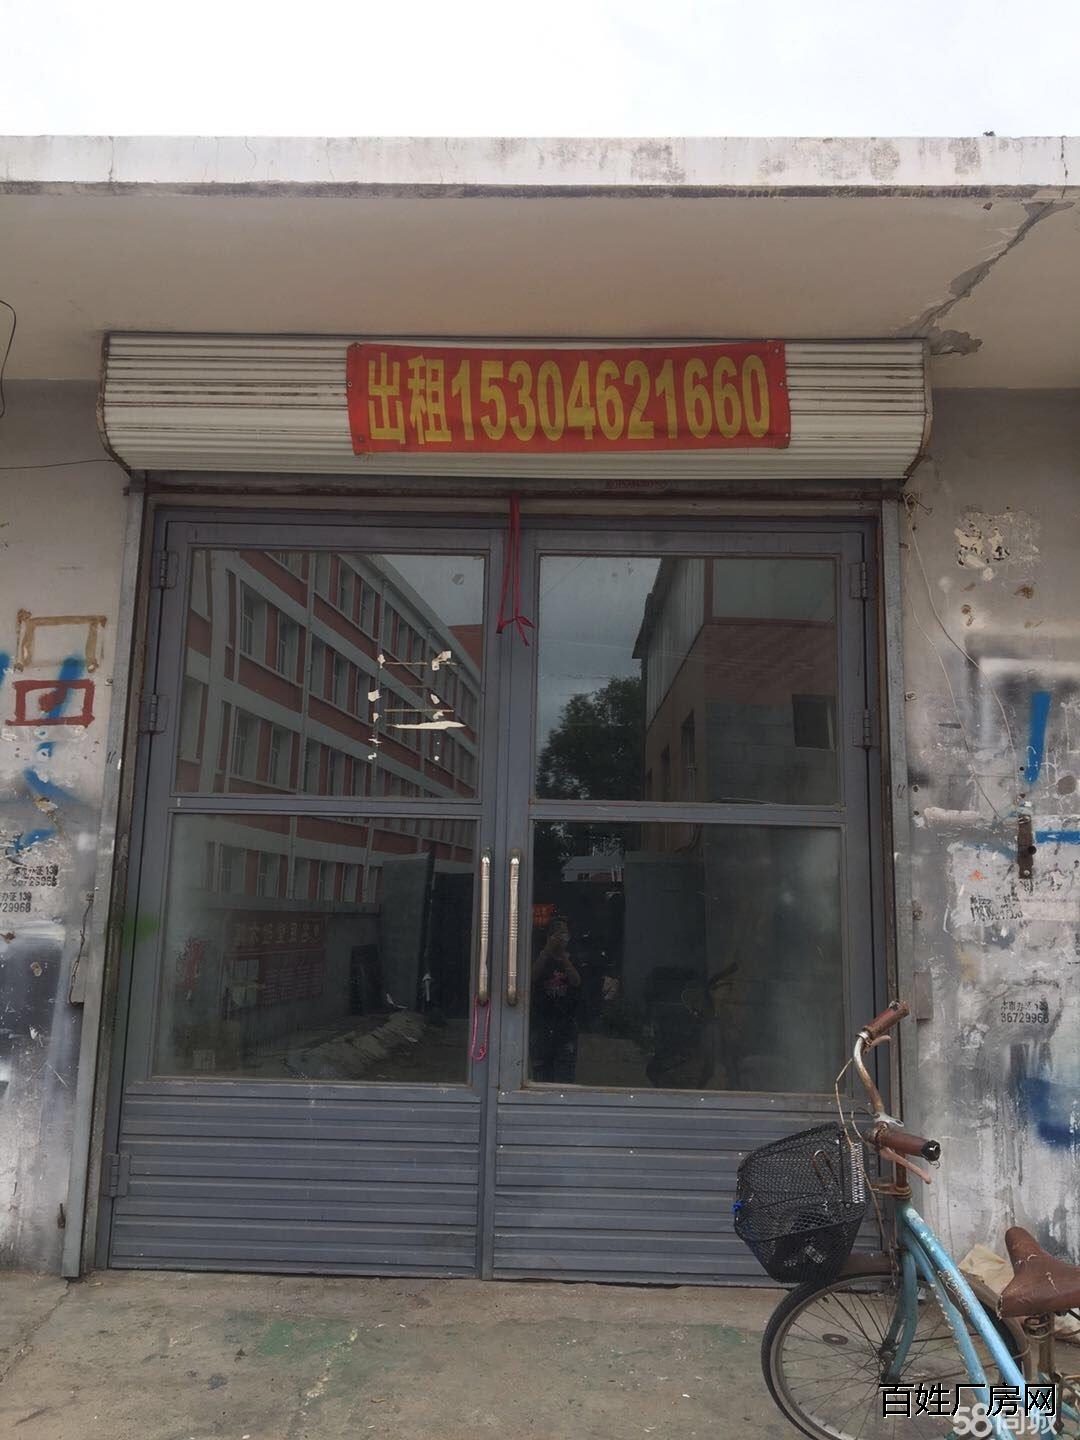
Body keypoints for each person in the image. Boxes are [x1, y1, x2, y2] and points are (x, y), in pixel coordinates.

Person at [529, 916, 581, 1083]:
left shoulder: (573, 957)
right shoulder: (539, 955)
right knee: (541, 1071)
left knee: (565, 1072)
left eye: (563, 933)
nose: (560, 938)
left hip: (566, 1022)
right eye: (556, 933)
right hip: (542, 1021)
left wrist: (563, 957)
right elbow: (531, 977)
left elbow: (576, 981)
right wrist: (547, 951)